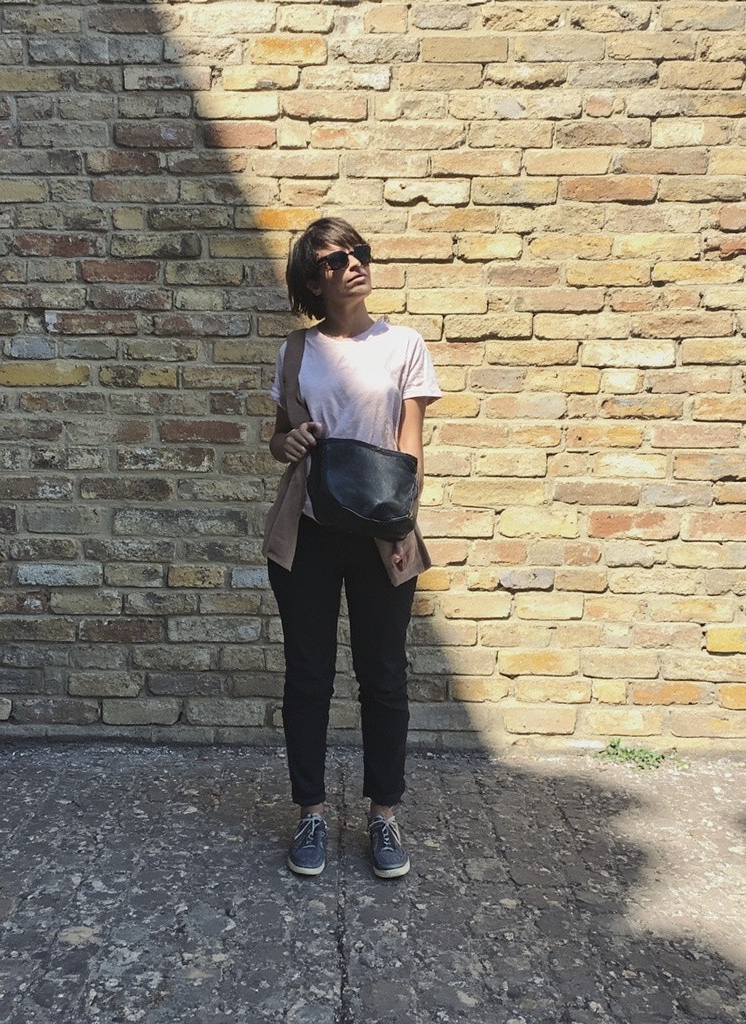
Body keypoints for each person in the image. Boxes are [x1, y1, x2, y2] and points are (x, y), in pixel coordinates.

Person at [262, 217, 441, 879]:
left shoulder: (405, 345)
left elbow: (411, 446)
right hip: (307, 530)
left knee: (384, 678)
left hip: (381, 533)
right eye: (336, 260)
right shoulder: (295, 353)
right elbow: (278, 440)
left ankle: (383, 816)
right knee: (307, 678)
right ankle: (310, 812)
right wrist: (290, 443)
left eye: (359, 253)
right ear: (314, 280)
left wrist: (401, 526)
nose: (354, 265)